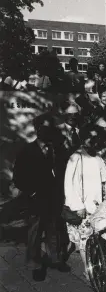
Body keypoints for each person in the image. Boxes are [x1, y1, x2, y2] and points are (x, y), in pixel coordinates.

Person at [13, 114, 70, 281]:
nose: (47, 132)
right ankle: (35, 265)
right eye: (43, 128)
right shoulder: (27, 151)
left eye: (50, 129)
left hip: (53, 199)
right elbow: (18, 177)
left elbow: (61, 174)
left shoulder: (57, 150)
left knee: (53, 230)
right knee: (35, 233)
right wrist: (32, 193)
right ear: (37, 129)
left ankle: (55, 259)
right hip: (35, 200)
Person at [63, 126, 106, 278]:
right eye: (90, 138)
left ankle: (96, 264)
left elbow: (103, 184)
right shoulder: (76, 157)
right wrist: (78, 206)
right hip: (82, 208)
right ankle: (89, 271)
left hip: (97, 207)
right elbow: (68, 183)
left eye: (95, 138)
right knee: (84, 241)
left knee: (97, 238)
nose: (93, 141)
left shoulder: (98, 157)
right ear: (83, 139)